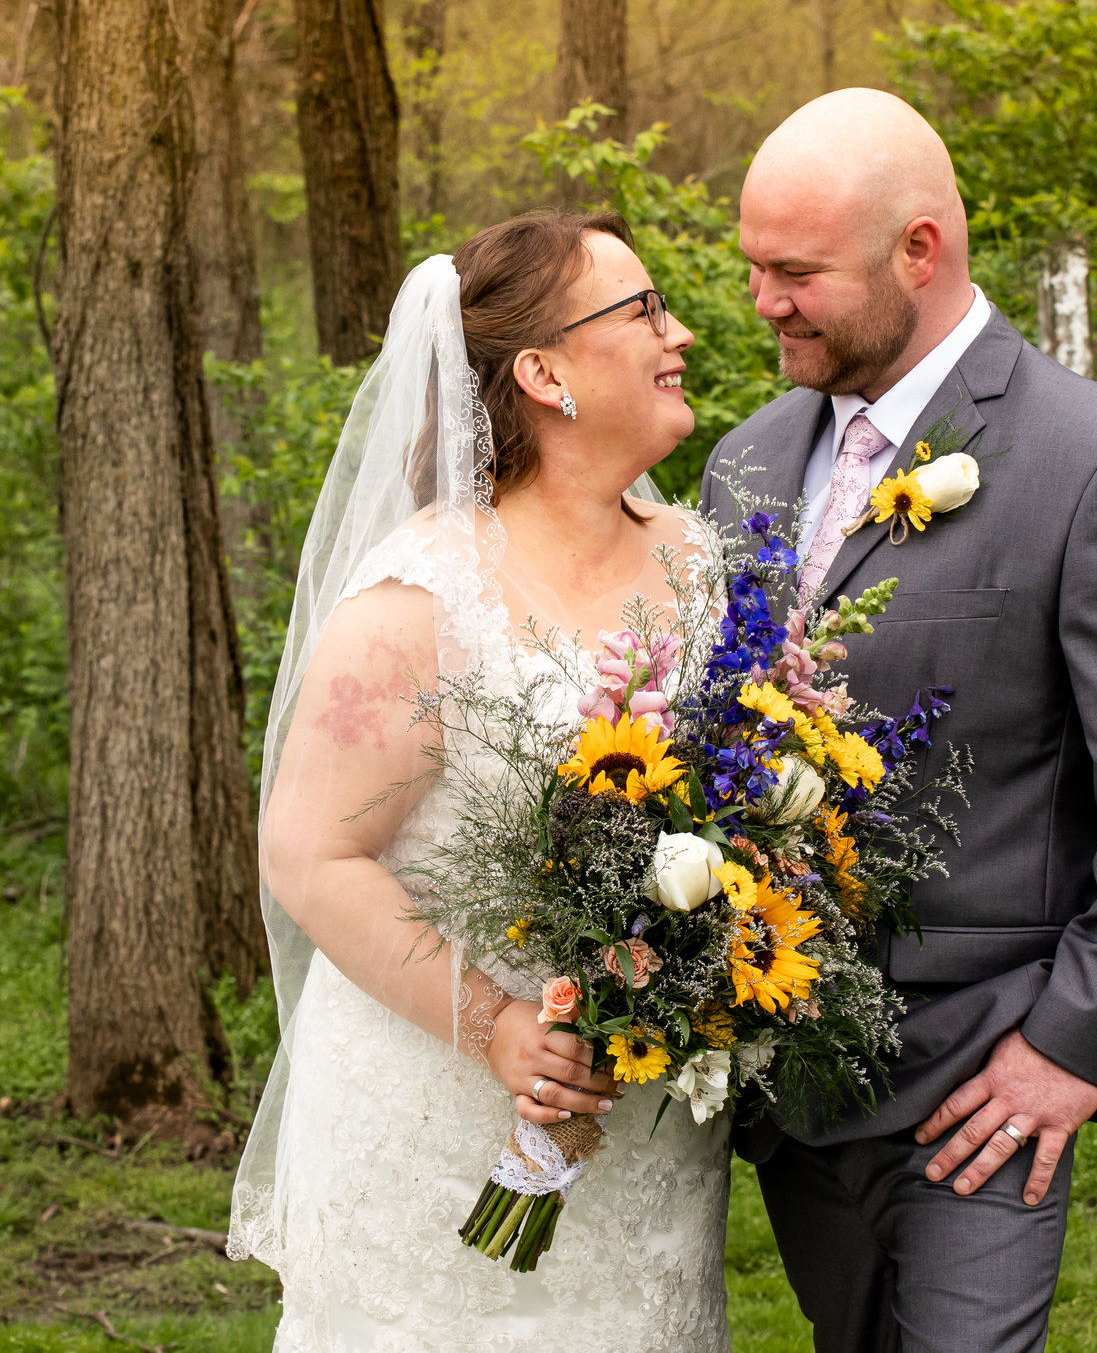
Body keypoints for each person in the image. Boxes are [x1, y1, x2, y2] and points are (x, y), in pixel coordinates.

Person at [703, 88, 1097, 1353]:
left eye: (796, 271)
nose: (764, 300)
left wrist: (1076, 1041)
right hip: (789, 1070)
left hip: (987, 1069)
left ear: (919, 251)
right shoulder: (743, 462)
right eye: (751, 268)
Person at [229, 210, 732, 1350]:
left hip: (643, 1139)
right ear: (544, 371)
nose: (682, 331)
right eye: (644, 309)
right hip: (444, 1123)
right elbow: (310, 853)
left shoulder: (697, 561)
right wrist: (498, 1024)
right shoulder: (420, 599)